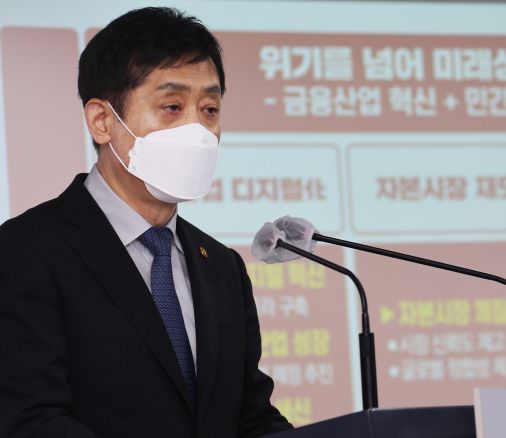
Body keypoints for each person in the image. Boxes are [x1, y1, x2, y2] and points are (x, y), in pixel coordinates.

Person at [0, 7, 293, 438]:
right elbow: (27, 418)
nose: (198, 130)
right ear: (102, 121)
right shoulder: (24, 251)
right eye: (172, 107)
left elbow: (250, 416)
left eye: (209, 109)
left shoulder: (222, 267)